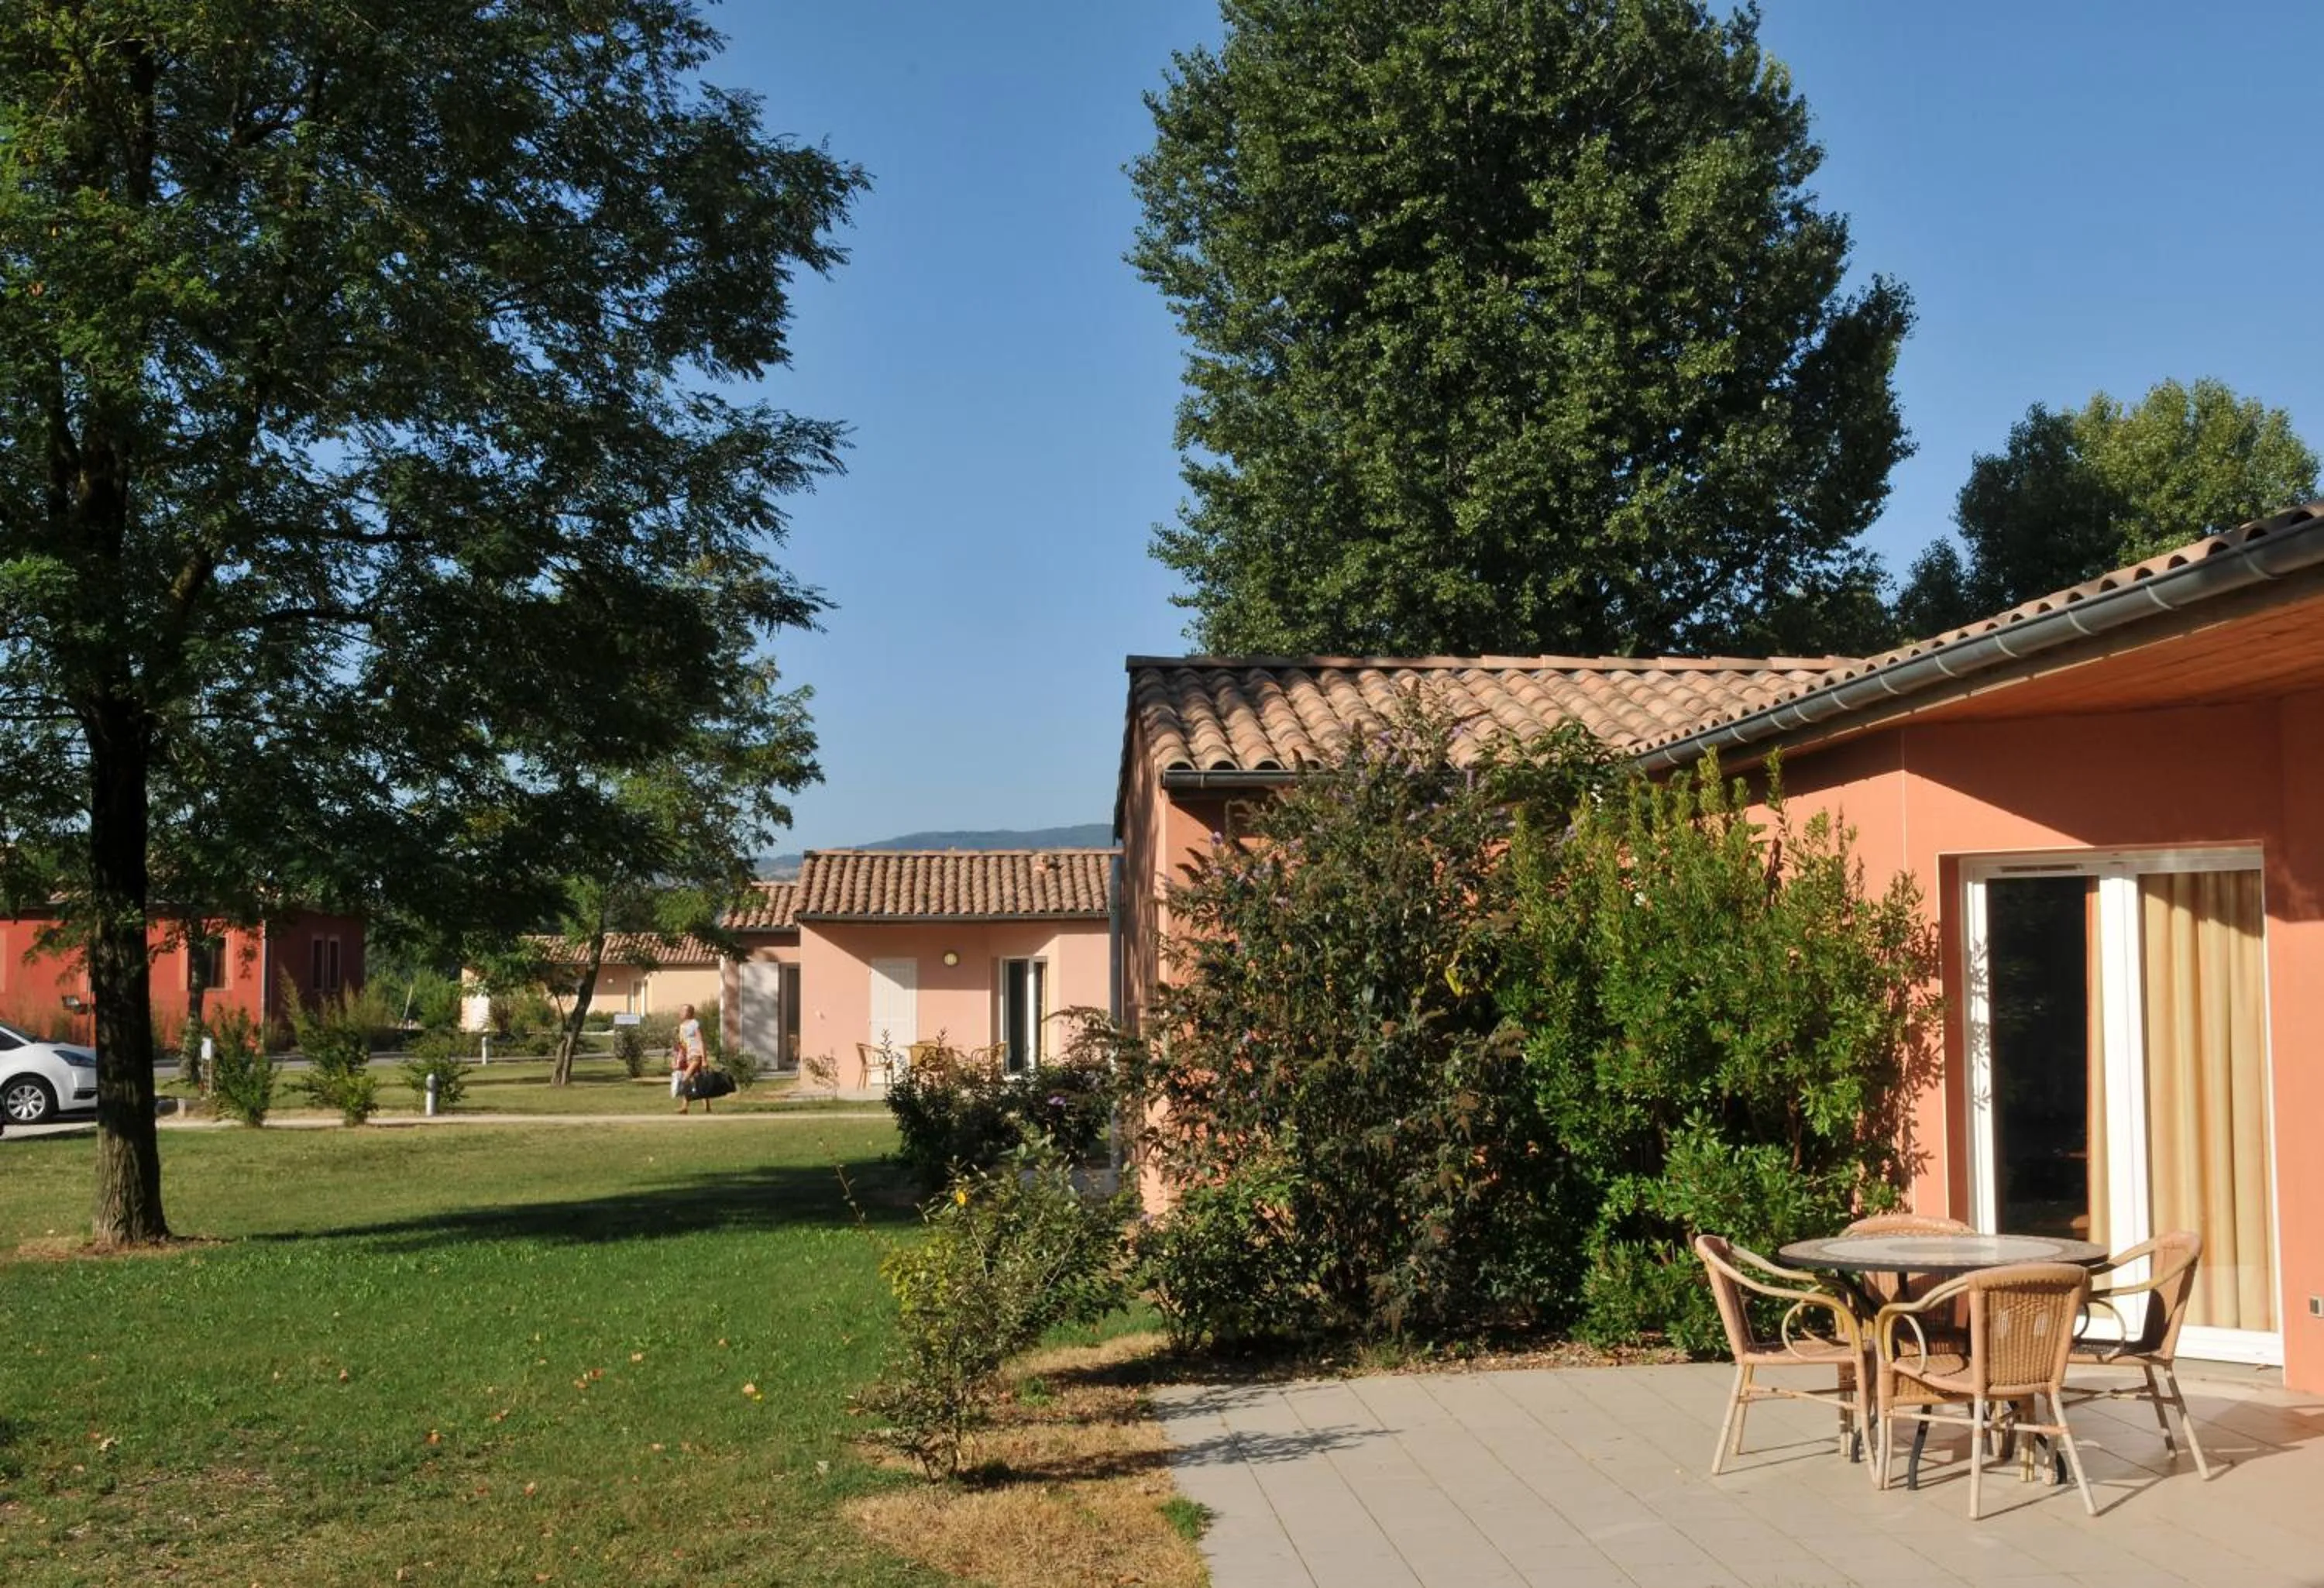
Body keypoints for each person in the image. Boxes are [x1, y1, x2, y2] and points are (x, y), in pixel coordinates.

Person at [674, 1003, 709, 1114]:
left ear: (690, 1013)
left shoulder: (695, 1024)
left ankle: (685, 1107)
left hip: (696, 1056)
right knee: (699, 1082)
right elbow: (682, 1045)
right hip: (688, 1056)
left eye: (683, 1011)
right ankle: (707, 1107)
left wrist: (704, 1059)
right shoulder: (682, 1026)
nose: (681, 1013)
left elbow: (701, 1041)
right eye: (681, 1010)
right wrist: (677, 1060)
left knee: (685, 1080)